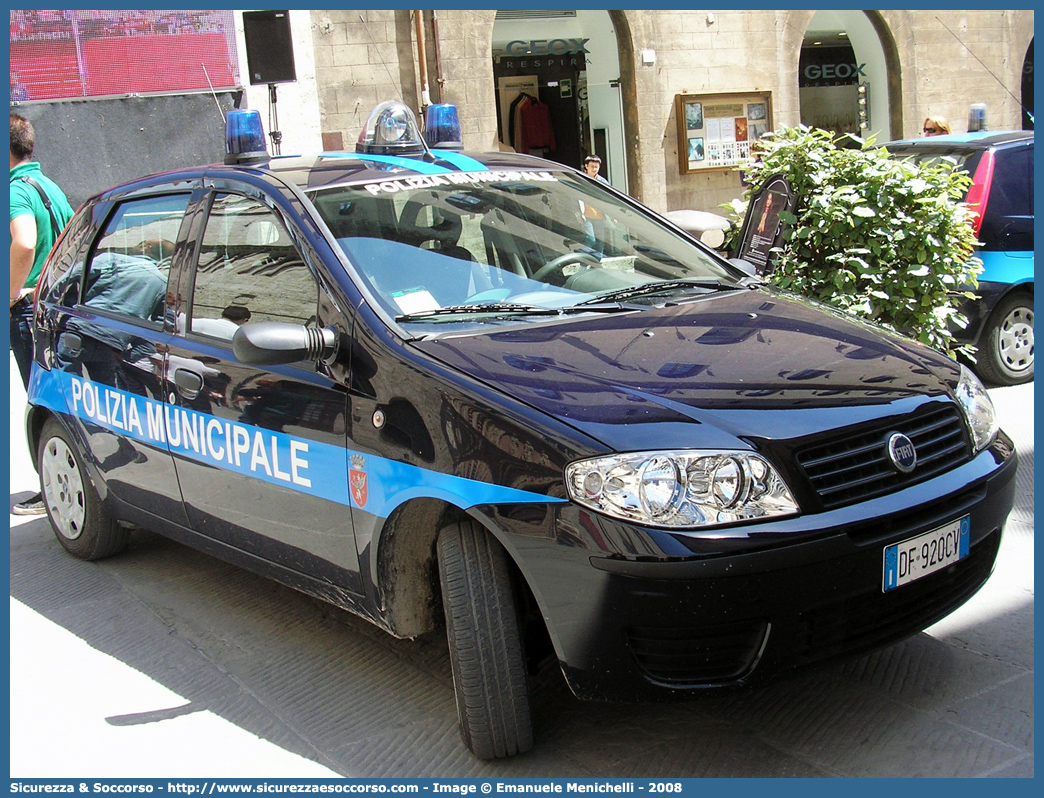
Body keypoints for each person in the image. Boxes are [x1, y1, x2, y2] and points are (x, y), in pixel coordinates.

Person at [10, 112, 74, 515]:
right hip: (58, 307)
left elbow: (25, 242)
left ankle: (53, 490)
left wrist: (10, 291)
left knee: (43, 400)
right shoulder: (48, 186)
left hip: (28, 312)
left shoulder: (15, 189)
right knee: (62, 398)